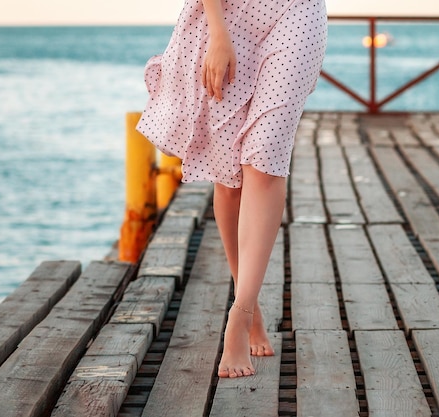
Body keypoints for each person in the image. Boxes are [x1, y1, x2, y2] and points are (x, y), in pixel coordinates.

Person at [137, 0, 327, 378]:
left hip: (299, 13)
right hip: (230, 12)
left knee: (265, 158)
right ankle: (250, 301)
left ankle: (238, 317)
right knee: (229, 174)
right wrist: (217, 31)